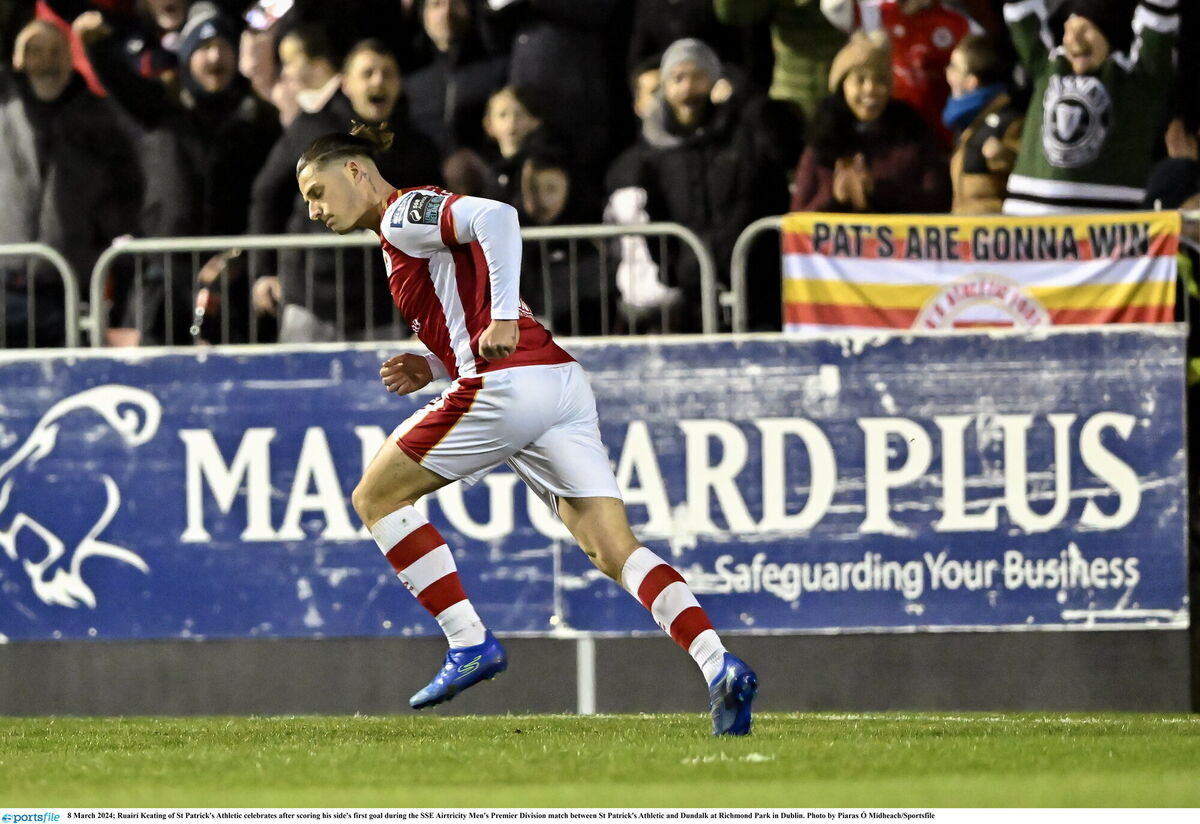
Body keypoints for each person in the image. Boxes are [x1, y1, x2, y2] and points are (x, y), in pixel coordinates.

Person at [293, 123, 758, 735]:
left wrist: (506, 315)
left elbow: (500, 218)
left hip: (509, 383)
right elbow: (470, 311)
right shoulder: (400, 234)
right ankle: (718, 663)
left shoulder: (404, 212)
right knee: (612, 549)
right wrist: (432, 364)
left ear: (354, 171)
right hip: (557, 382)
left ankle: (468, 641)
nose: (314, 209)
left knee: (375, 496)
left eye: (316, 191)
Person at [248, 38, 442, 343]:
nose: (378, 81)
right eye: (368, 73)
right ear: (346, 83)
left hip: (381, 306)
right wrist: (263, 271)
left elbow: (435, 227)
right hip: (311, 301)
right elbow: (266, 195)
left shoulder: (417, 148)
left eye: (388, 74)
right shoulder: (312, 130)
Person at [612, 38, 790, 332]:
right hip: (693, 298)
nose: (687, 89)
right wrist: (674, 273)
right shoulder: (655, 151)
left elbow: (783, 147)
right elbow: (655, 216)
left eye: (696, 77)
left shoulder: (745, 131)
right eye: (677, 78)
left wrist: (743, 98)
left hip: (758, 289)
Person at [0, 18, 142, 347]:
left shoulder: (100, 118)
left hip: (66, 289)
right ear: (17, 58)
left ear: (69, 56)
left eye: (54, 50)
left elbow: (122, 198)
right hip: (4, 285)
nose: (45, 59)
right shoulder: (6, 108)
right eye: (34, 50)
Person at [1001, 0, 1179, 214]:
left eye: (1085, 30)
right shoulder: (1048, 68)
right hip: (1030, 222)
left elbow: (1158, 28)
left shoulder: (1137, 80)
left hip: (1104, 228)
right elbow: (1023, 21)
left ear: (1108, 34)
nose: (1074, 39)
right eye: (1068, 30)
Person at [792, 31, 951, 214]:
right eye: (860, 81)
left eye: (881, 80)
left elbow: (938, 201)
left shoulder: (911, 130)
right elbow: (798, 215)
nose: (871, 90)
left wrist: (877, 189)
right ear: (842, 86)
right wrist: (834, 197)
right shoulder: (823, 135)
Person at [823, 0, 980, 146]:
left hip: (942, 137)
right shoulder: (874, 13)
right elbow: (833, 7)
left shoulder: (960, 23)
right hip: (889, 139)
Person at [944, 33, 1023, 214]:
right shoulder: (969, 125)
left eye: (954, 68)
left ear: (972, 81)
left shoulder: (1010, 122)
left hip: (996, 236)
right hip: (966, 235)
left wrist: (1005, 155)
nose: (947, 73)